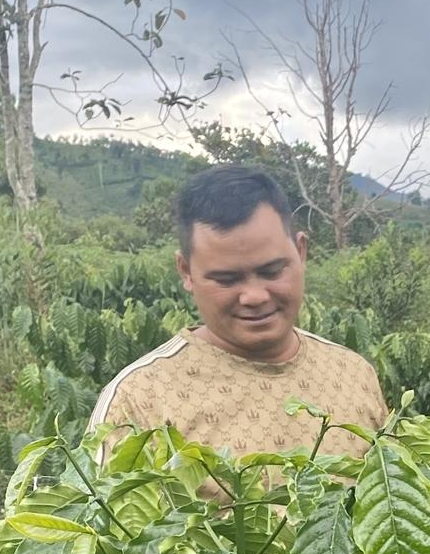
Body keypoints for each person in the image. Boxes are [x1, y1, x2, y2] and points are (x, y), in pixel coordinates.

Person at [91, 165, 388, 464]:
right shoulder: (139, 400)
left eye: (272, 271)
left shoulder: (354, 374)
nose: (254, 296)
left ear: (301, 252)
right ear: (186, 272)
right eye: (226, 280)